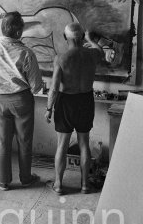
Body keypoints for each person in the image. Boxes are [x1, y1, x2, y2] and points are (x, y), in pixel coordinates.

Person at [0, 11, 44, 190]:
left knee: (3, 142)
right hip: (22, 101)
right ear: (19, 32)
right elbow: (36, 86)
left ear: (2, 28)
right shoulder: (26, 53)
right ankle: (26, 178)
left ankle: (4, 181)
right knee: (24, 141)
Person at [45, 23, 115, 194]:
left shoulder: (61, 59)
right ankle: (84, 185)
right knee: (84, 144)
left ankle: (59, 185)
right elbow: (99, 51)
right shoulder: (92, 54)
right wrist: (91, 40)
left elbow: (54, 88)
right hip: (85, 100)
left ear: (65, 38)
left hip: (66, 102)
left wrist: (49, 108)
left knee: (62, 144)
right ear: (82, 37)